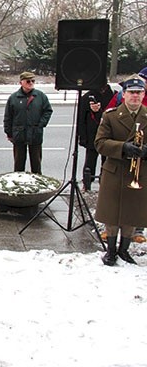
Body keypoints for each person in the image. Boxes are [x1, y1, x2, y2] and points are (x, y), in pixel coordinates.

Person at [94, 75, 147, 266]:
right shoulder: (111, 115)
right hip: (115, 170)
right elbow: (100, 143)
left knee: (132, 213)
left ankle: (124, 250)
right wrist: (123, 148)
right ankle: (110, 250)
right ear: (124, 95)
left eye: (139, 93)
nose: (135, 96)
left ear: (143, 94)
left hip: (138, 173)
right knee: (112, 213)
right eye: (131, 92)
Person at [4, 71, 53, 174]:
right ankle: (19, 184)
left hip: (35, 134)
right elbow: (8, 117)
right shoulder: (14, 98)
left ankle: (37, 185)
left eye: (33, 81)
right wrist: (9, 132)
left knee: (36, 163)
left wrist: (41, 124)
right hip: (19, 135)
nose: (31, 83)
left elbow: (48, 111)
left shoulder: (40, 96)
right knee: (19, 164)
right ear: (21, 82)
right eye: (28, 81)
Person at [78, 83, 114, 191]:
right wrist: (82, 136)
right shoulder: (87, 97)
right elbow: (81, 119)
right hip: (92, 135)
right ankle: (87, 184)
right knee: (90, 161)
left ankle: (105, 184)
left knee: (107, 162)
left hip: (109, 135)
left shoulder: (113, 96)